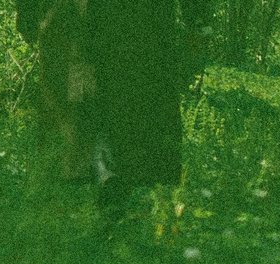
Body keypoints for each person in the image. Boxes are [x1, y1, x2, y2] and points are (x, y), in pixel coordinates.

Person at [18, 0, 201, 208]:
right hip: (89, 21)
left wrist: (197, 19)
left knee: (117, 96)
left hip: (128, 22)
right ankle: (104, 173)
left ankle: (108, 174)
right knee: (85, 93)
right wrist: (197, 21)